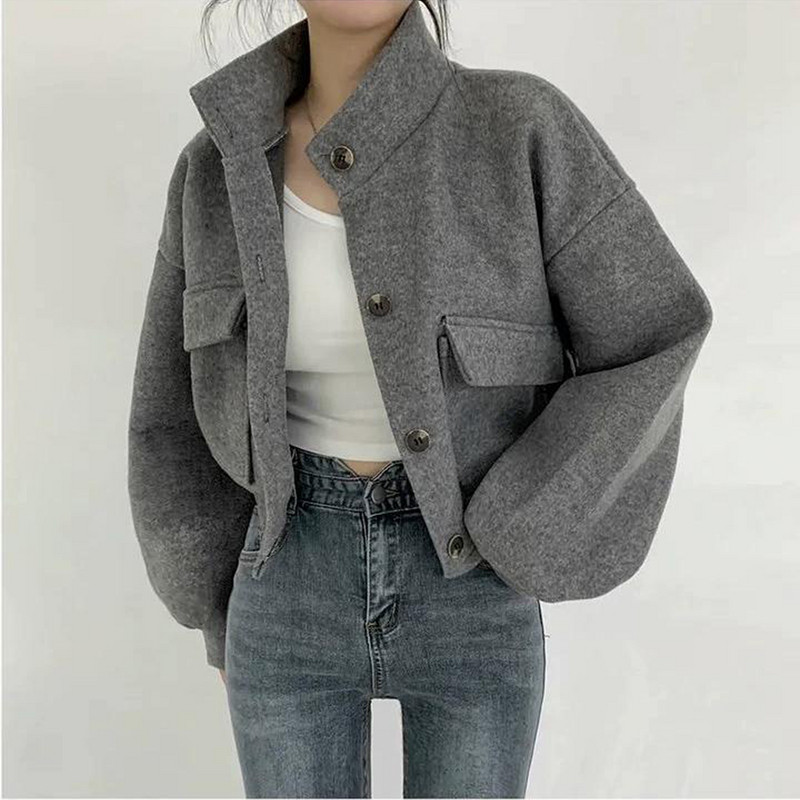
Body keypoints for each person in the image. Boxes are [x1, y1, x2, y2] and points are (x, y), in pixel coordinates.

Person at [127, 0, 713, 796]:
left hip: (473, 583)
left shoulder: (520, 129)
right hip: (285, 586)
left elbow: (655, 329)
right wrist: (211, 606)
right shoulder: (213, 170)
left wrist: (527, 517)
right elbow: (166, 414)